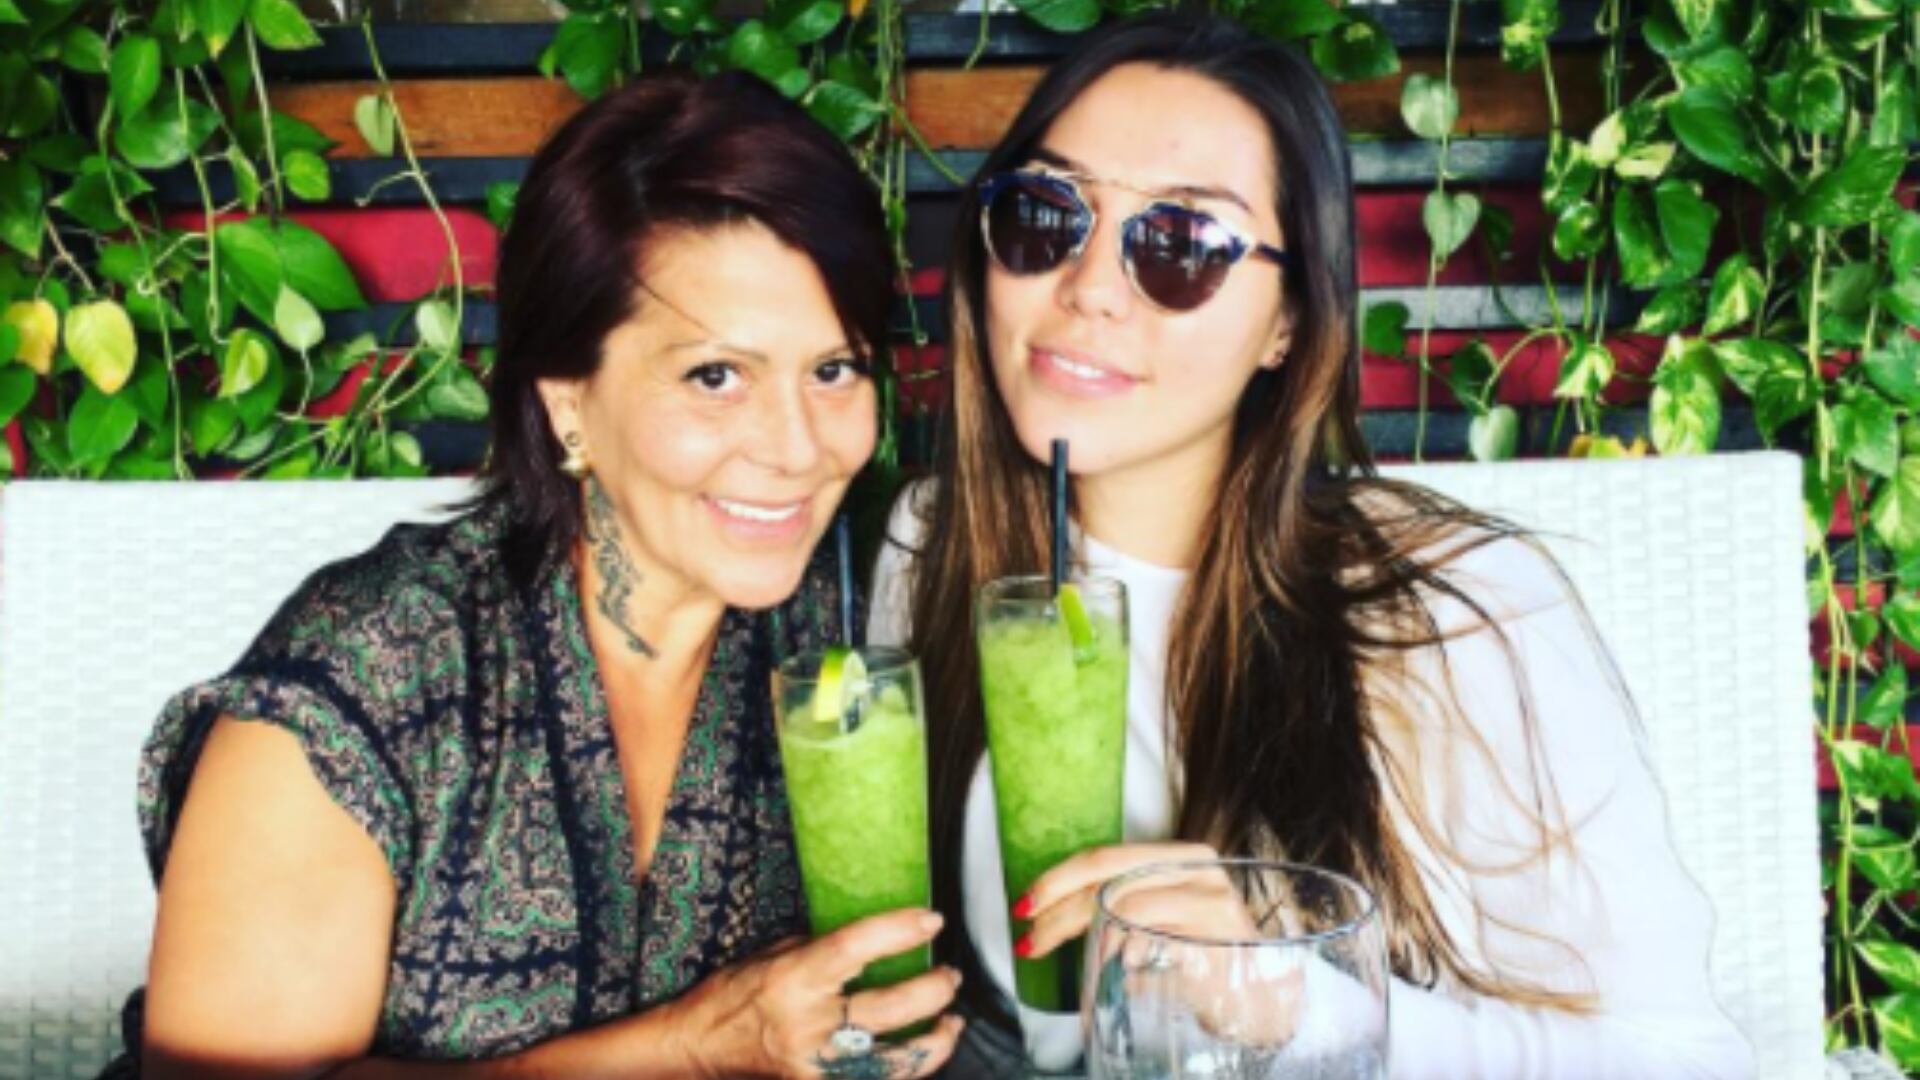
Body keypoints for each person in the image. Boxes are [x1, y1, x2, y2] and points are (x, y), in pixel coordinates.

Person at [868, 13, 1754, 1078]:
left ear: (1287, 324)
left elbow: (1686, 1061)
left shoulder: (1446, 613)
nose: (1089, 287)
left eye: (1182, 245)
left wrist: (1286, 994)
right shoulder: (935, 544)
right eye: (1046, 214)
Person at [113, 70, 963, 1079]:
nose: (796, 448)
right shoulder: (370, 683)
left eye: (834, 369)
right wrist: (690, 1051)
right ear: (567, 402)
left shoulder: (861, 618)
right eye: (715, 376)